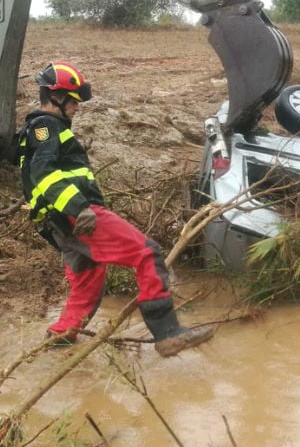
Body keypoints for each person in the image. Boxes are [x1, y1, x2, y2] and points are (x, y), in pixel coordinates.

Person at [15, 61, 215, 357]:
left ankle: (59, 340)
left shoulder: (38, 129)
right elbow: (44, 175)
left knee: (87, 284)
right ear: (56, 97)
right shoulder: (46, 127)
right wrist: (79, 208)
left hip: (58, 223)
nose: (77, 108)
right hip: (77, 215)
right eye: (74, 101)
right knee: (146, 253)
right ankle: (168, 333)